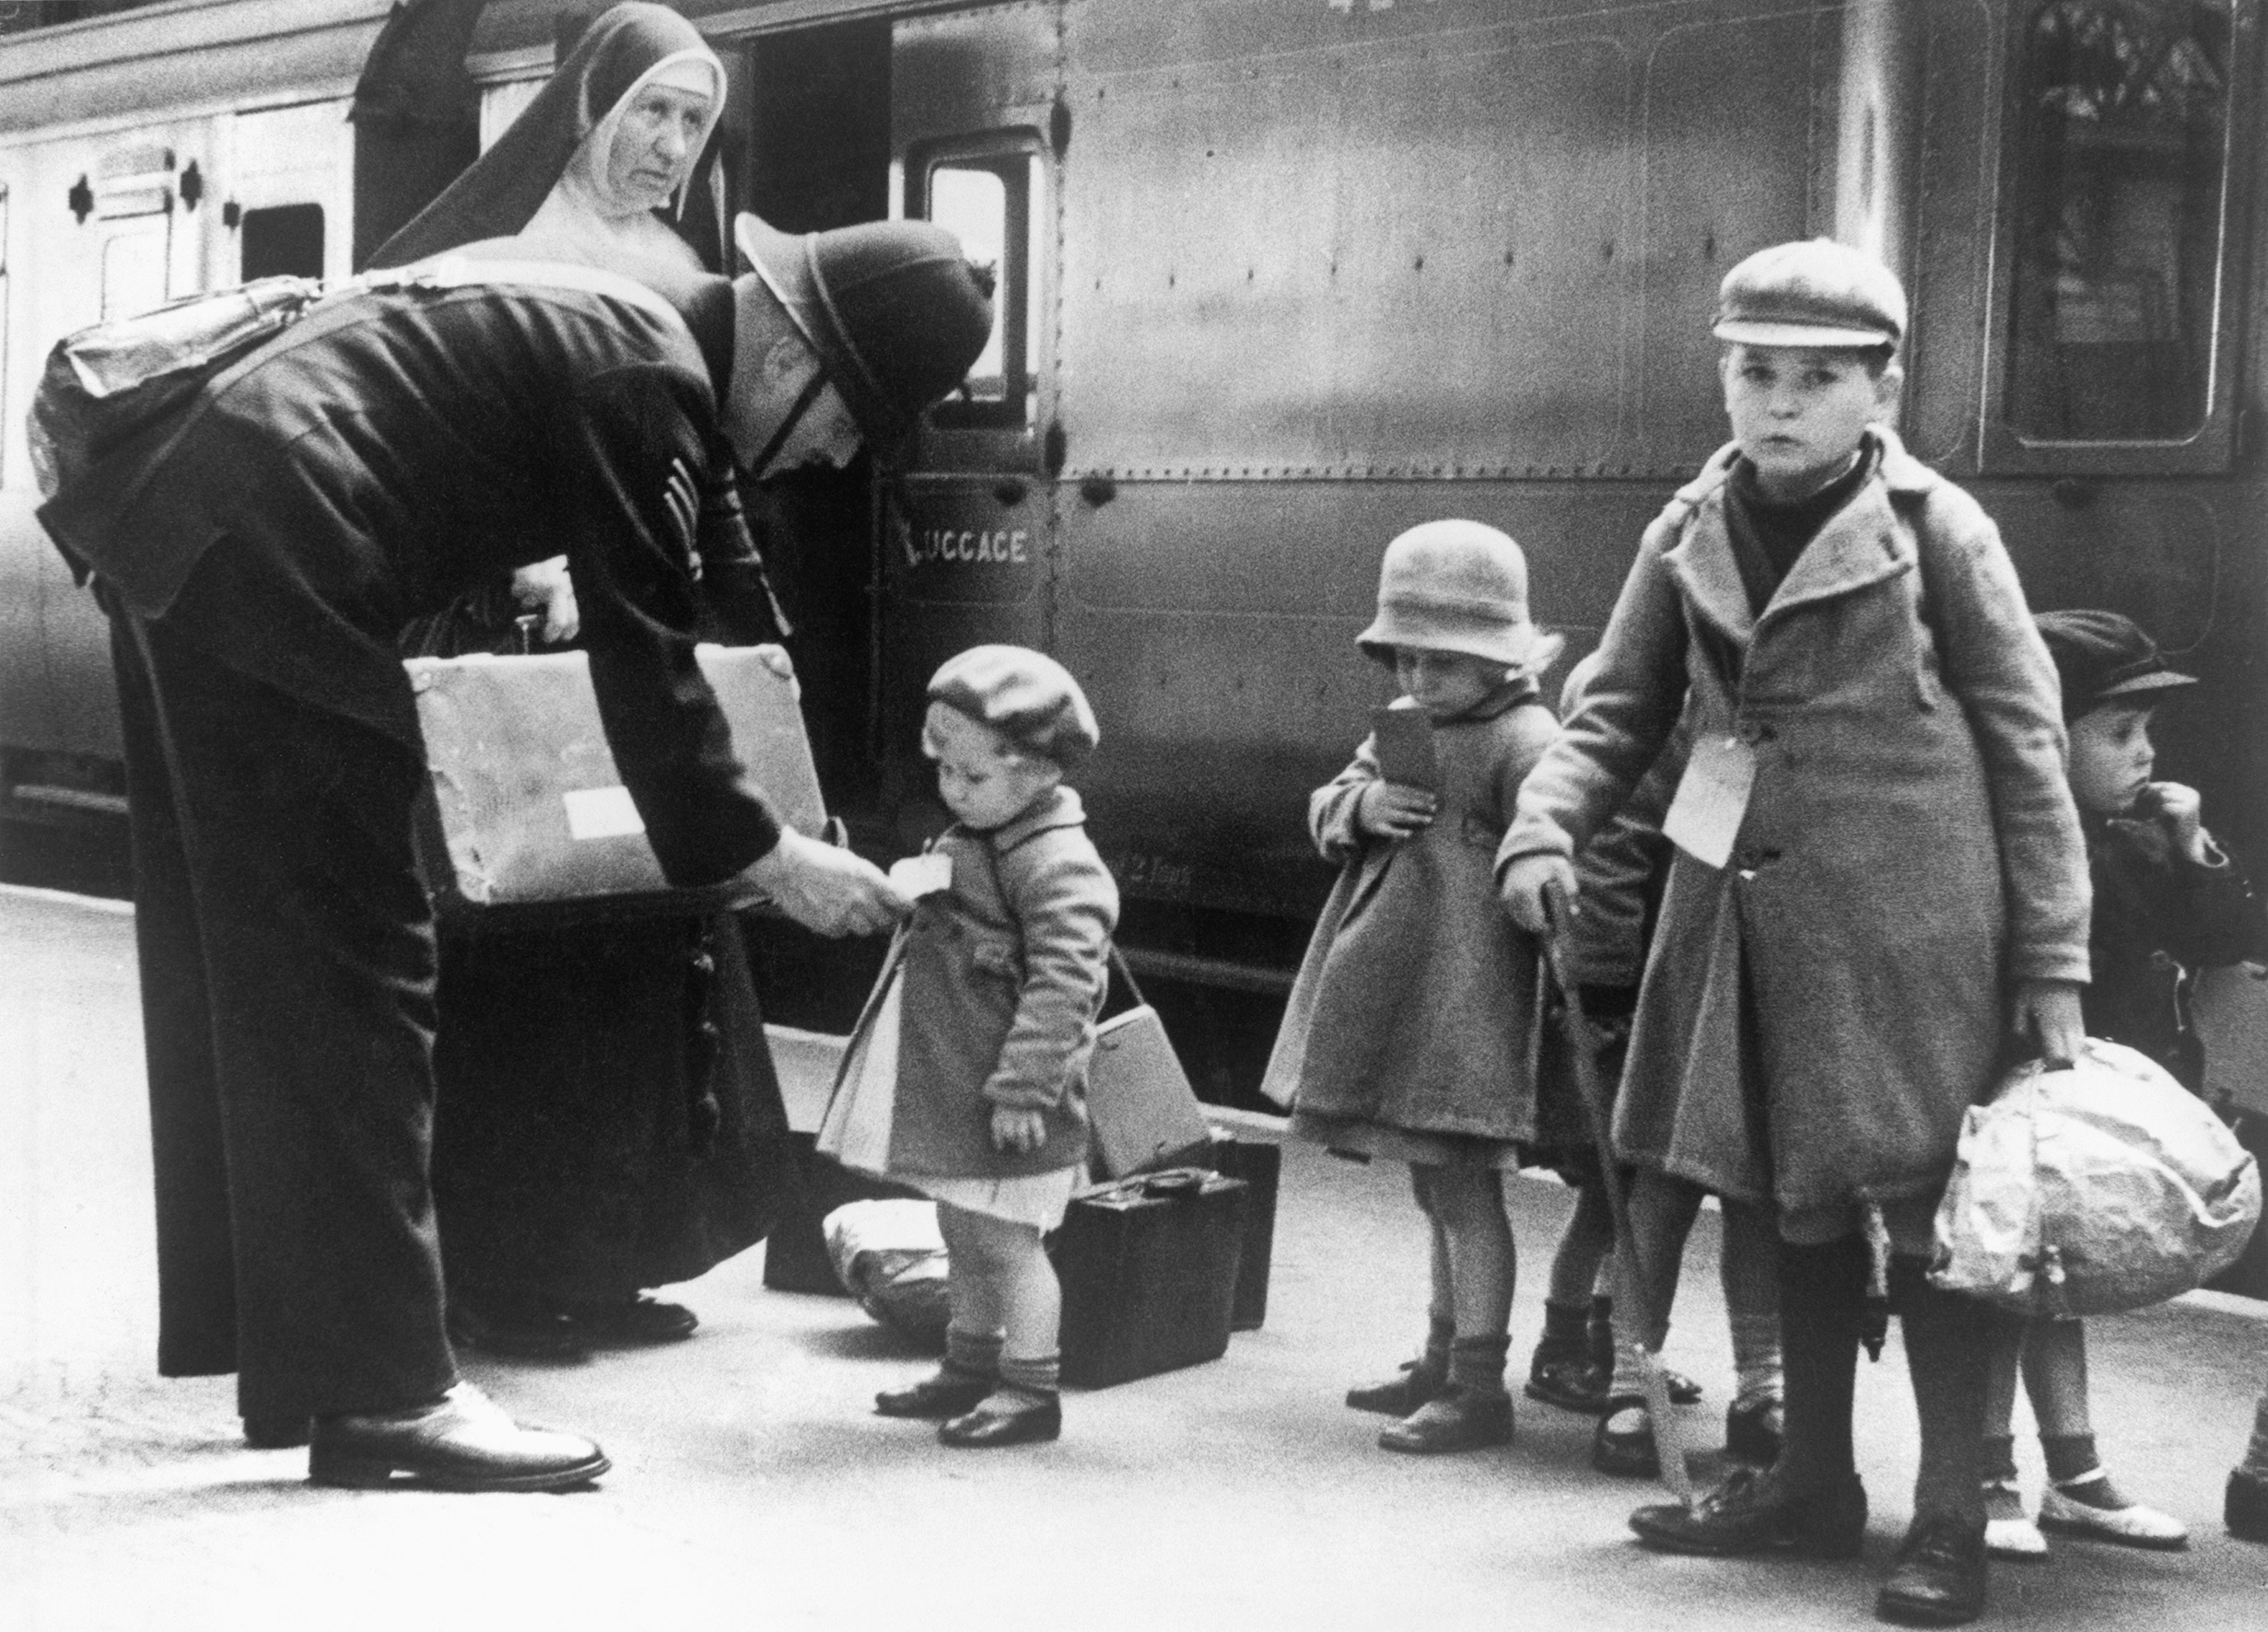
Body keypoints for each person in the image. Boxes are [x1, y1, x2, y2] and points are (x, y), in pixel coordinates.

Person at [35, 180, 993, 1486]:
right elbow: (644, 663)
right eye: (846, 420)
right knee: (363, 973)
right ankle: (385, 1400)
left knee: (278, 970)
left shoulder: (634, 324)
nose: (832, 455)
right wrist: (773, 859)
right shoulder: (644, 372)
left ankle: (311, 1367)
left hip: (200, 526)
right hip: (278, 550)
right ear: (788, 346)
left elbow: (722, 585)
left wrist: (795, 782)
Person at [1498, 239, 2089, 1626]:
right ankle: (1810, 1483)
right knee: (1780, 1199)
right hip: (1740, 924)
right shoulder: (1685, 524)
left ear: (1881, 388)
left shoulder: (1941, 530)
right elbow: (1613, 710)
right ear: (1723, 373)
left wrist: (2052, 960)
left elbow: (2027, 744)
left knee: (1940, 1221)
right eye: (1753, 372)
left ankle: (1948, 1514)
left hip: (1910, 930)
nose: (1777, 403)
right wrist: (1543, 825)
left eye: (1816, 379)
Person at [368, 3, 794, 1360]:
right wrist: (523, 571)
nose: (670, 145)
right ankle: (497, 1272)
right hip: (495, 641)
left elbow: (698, 472)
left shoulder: (684, 263)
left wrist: (746, 623)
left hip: (626, 624)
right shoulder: (481, 252)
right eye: (649, 113)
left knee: (641, 935)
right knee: (520, 959)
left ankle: (608, 1253)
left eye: (692, 120)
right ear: (587, 109)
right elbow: (421, 456)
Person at [1260, 520, 1562, 1455]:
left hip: (1467, 1003)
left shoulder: (1527, 738)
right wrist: (1360, 804)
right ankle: (1440, 1355)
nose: (1418, 680)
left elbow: (1556, 845)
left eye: (1441, 662)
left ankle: (1479, 1386)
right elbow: (1328, 800)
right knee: (1436, 1190)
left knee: (1467, 1191)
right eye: (1404, 659)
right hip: (1403, 992)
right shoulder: (1403, 726)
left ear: (1499, 657)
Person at [1979, 610, 2266, 1559]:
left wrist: (2191, 849)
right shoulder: (2009, 841)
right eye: (2116, 733)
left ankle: (2073, 1473)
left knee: (2048, 1288)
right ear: (2037, 737)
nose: (2142, 754)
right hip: (2015, 1101)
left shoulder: (2136, 837)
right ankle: (1983, 1472)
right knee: (1998, 1287)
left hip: (2087, 1106)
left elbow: (2216, 942)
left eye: (2145, 733)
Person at [821, 647, 1117, 1449]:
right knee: (962, 1230)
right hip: (967, 1086)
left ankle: (1030, 1390)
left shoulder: (1056, 862)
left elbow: (1066, 987)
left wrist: (1026, 1089)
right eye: (944, 771)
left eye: (972, 778)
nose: (952, 790)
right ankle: (969, 1364)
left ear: (1038, 772)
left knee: (1009, 1245)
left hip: (1012, 1097)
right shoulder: (986, 834)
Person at [1526, 657, 1783, 1480]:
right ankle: (1636, 1384)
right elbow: (1658, 861)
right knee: (1661, 1193)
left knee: (1756, 1198)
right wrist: (1604, 990)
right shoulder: (1704, 731)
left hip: (1774, 984)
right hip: (1681, 990)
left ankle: (1759, 1387)